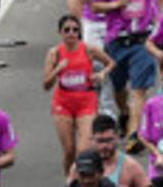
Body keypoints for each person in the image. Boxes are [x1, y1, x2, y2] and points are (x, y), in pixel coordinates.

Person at [92, 0, 163, 138]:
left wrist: (161, 13)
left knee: (139, 88)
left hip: (142, 40)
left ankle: (135, 134)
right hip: (117, 40)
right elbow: (94, 5)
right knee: (118, 86)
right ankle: (125, 111)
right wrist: (115, 5)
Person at [44, 14, 113, 176]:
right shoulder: (55, 53)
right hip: (63, 102)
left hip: (86, 101)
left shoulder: (89, 49)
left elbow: (111, 63)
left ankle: (82, 182)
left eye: (75, 30)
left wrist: (102, 74)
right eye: (66, 30)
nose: (71, 33)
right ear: (60, 32)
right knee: (69, 150)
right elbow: (46, 85)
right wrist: (57, 70)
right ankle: (70, 182)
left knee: (84, 150)